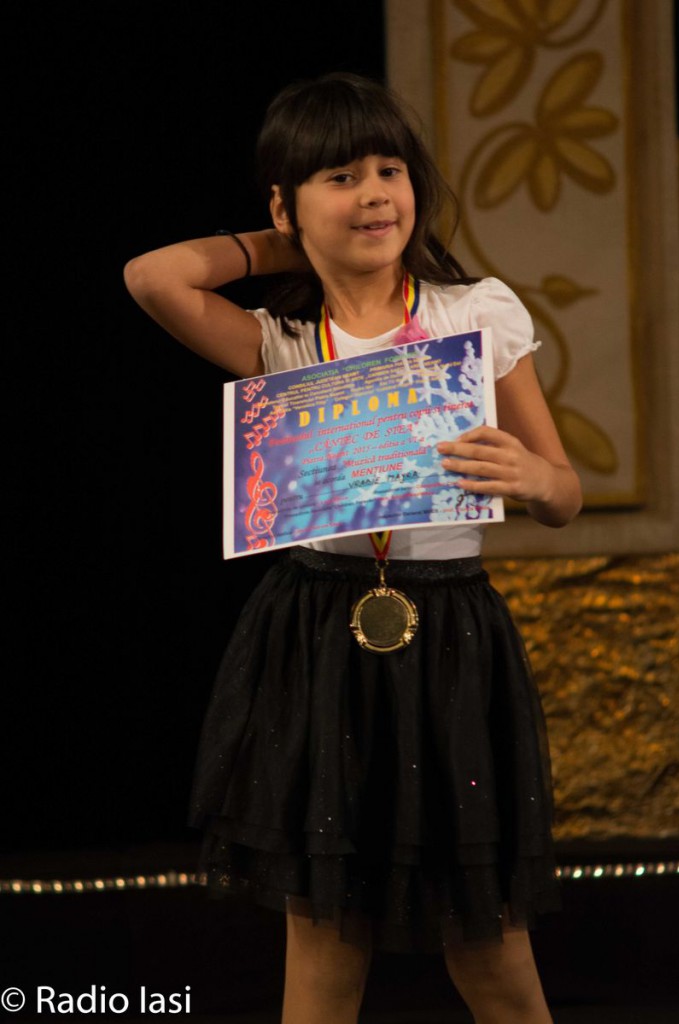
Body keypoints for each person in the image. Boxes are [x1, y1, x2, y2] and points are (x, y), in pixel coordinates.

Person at [124, 72, 582, 1024]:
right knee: (325, 949)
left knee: (491, 949)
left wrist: (535, 478)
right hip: (319, 635)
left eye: (389, 170)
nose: (374, 194)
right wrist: (281, 242)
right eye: (340, 177)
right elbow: (152, 276)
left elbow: (564, 494)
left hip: (451, 635)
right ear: (286, 204)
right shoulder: (282, 338)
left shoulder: (472, 312)